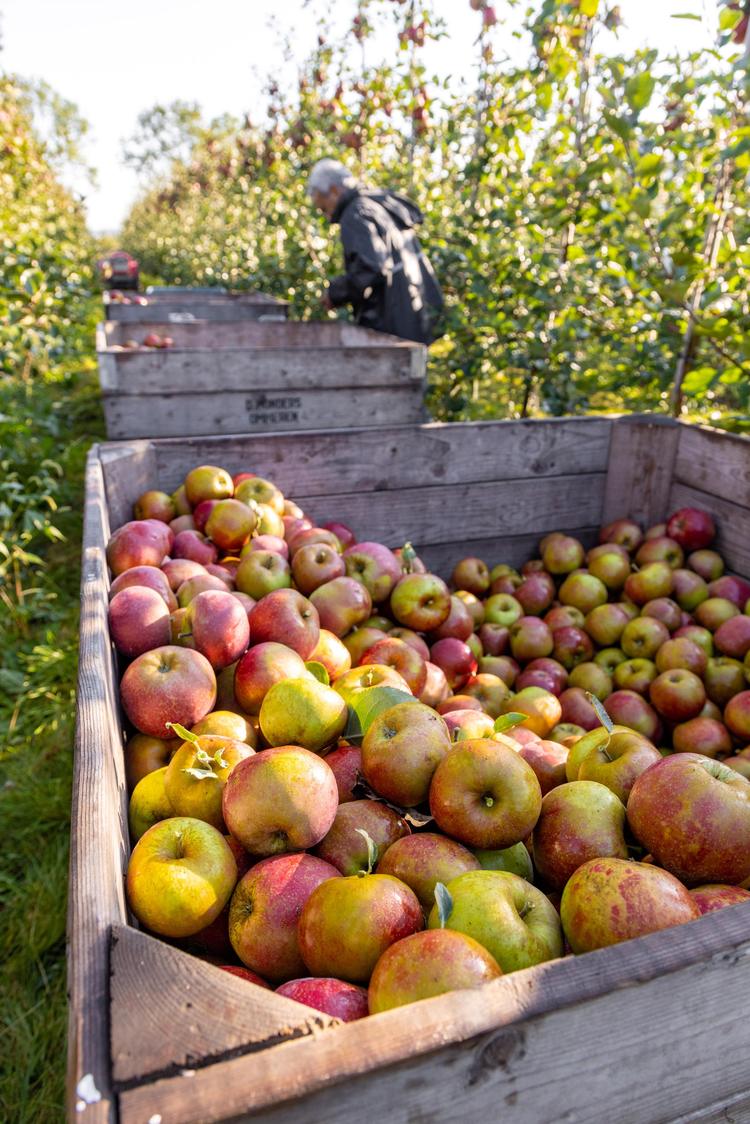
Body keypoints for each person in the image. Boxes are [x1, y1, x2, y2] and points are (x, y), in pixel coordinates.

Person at [307, 158, 443, 345]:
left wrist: (335, 293)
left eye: (323, 207)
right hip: (416, 319)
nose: (326, 216)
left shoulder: (355, 213)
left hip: (392, 328)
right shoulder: (376, 203)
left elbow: (370, 268)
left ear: (334, 190)